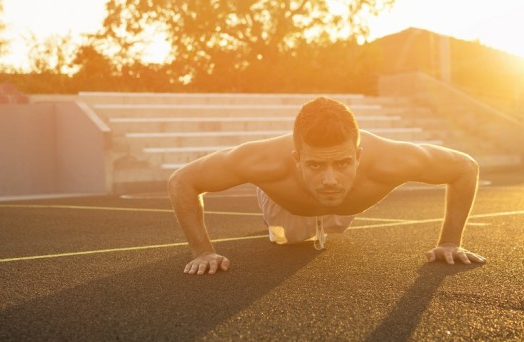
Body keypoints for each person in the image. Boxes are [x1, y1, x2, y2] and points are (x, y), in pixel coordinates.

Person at [167, 96, 486, 275]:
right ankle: (276, 212)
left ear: (359, 155)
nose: (330, 178)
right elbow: (182, 180)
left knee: (332, 214)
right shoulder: (264, 161)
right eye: (315, 164)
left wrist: (450, 242)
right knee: (290, 240)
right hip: (285, 204)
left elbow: (465, 168)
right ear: (297, 158)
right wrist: (202, 251)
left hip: (345, 205)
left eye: (343, 163)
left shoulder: (391, 159)